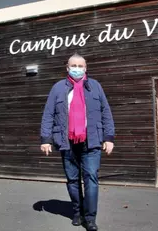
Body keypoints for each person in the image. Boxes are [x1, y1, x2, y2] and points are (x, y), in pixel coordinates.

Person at [40, 53, 115, 231]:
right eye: (73, 65)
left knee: (91, 178)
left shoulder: (95, 86)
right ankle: (77, 212)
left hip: (92, 141)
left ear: (86, 67)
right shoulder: (58, 88)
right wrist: (46, 139)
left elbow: (106, 112)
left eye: (80, 66)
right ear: (67, 68)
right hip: (67, 141)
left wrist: (109, 137)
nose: (77, 69)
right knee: (72, 180)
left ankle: (90, 218)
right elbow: (48, 114)